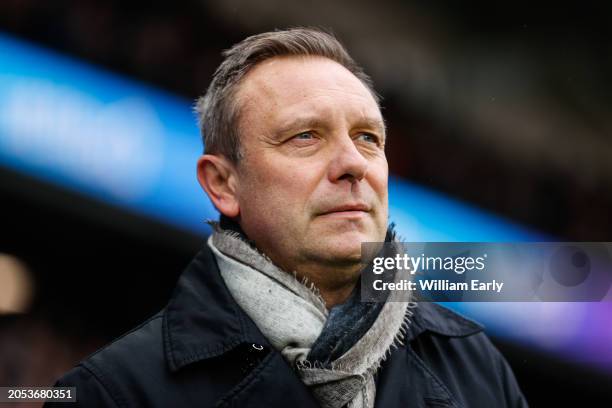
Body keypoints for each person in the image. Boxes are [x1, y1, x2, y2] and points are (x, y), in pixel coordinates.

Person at [46, 28, 528, 407]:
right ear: (222, 184)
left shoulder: (475, 365)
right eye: (305, 136)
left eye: (367, 138)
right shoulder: (114, 392)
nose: (353, 164)